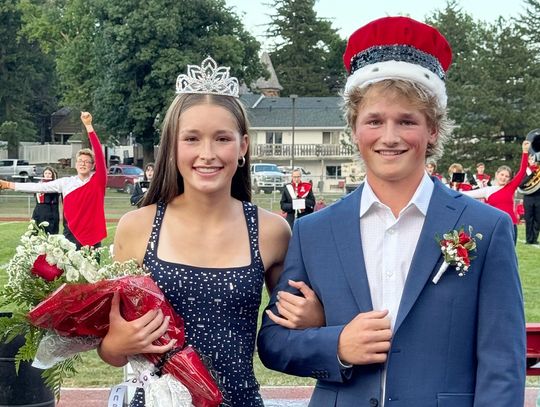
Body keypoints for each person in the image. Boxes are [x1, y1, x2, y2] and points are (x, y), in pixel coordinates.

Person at [257, 16, 525, 407]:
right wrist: (338, 344)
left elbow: (503, 362)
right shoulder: (315, 231)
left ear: (433, 129)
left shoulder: (486, 227)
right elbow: (274, 343)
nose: (390, 137)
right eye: (375, 121)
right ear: (354, 129)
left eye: (407, 121)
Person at [96, 56, 321, 407]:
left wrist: (313, 318)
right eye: (192, 139)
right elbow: (110, 347)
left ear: (243, 145)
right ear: (172, 146)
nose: (207, 154)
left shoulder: (272, 232)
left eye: (221, 139)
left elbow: (288, 333)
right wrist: (115, 345)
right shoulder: (136, 227)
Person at [0, 112, 106, 249]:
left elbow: (99, 153)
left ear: (93, 165)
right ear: (75, 164)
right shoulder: (66, 182)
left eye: (87, 161)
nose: (83, 163)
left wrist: (89, 126)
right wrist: (9, 185)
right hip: (71, 234)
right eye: (80, 161)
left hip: (92, 237)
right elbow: (38, 188)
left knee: (91, 270)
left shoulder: (98, 181)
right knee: (71, 270)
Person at [462, 140, 530, 244]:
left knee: (510, 256)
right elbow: (466, 195)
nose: (503, 178)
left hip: (510, 226)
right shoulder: (487, 190)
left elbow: (522, 171)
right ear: (496, 174)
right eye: (502, 175)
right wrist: (453, 188)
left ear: (509, 179)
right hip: (494, 226)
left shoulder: (510, 187)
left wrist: (525, 152)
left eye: (506, 176)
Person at [31, 166, 61, 234]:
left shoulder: (56, 185)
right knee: (34, 230)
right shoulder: (39, 184)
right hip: (38, 208)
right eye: (46, 173)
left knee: (49, 231)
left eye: (49, 173)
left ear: (53, 175)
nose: (47, 175)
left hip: (50, 209)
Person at [520, 154, 540, 244]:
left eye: (533, 158)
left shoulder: (539, 170)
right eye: (530, 159)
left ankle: (534, 239)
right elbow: (520, 184)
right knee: (528, 219)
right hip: (528, 197)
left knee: (538, 219)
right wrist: (530, 175)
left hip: (538, 197)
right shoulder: (525, 171)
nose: (532, 160)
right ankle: (528, 239)